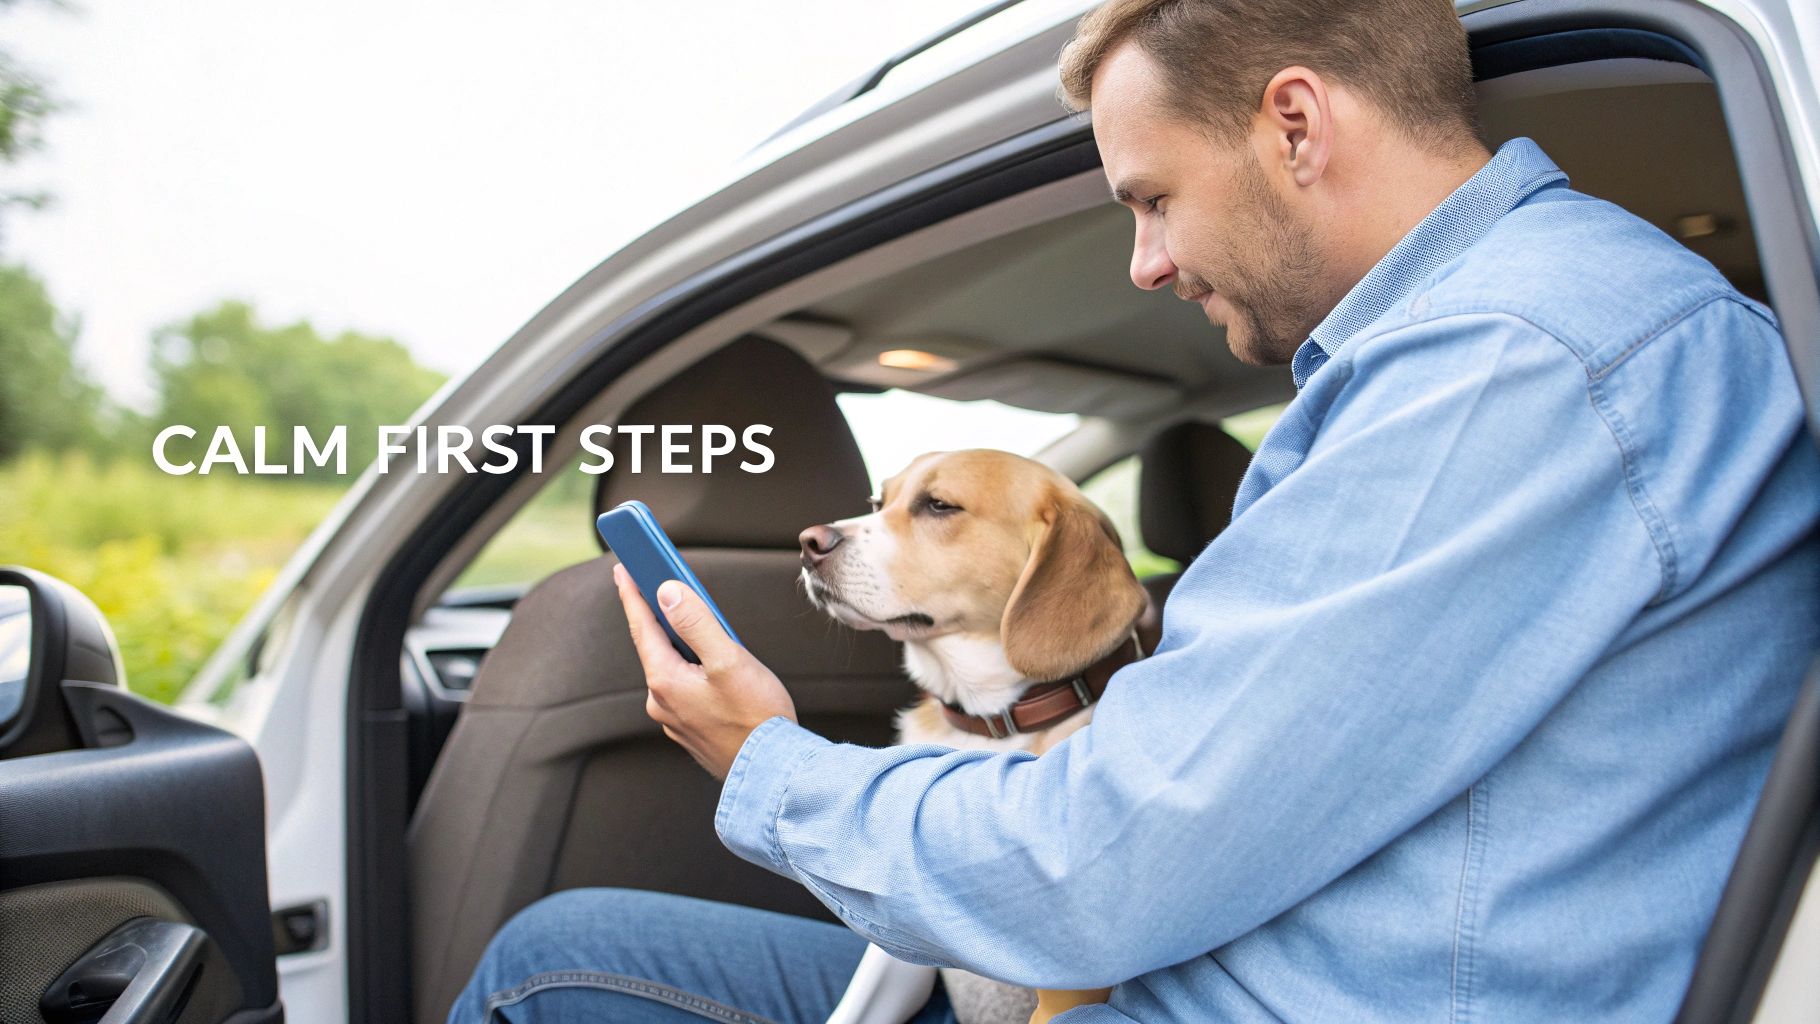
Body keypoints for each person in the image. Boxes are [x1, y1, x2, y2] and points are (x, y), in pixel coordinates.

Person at [451, 0, 1820, 1021]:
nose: (1147, 261)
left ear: (1296, 121)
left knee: (544, 970)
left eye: (1152, 199)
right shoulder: (1491, 356)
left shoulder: (1513, 360)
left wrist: (771, 765)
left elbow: (1104, 863)